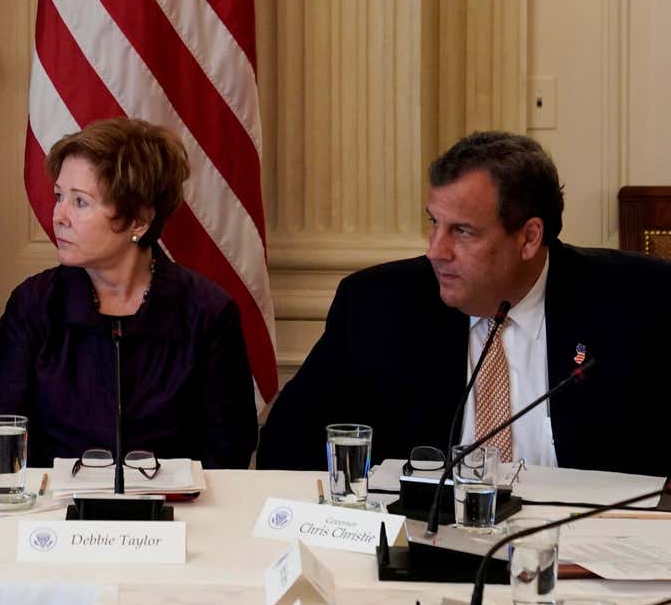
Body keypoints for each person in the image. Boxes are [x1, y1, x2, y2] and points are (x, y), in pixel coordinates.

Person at [258, 131, 671, 474]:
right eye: (435, 223)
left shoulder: (637, 301)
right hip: (425, 549)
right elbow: (285, 448)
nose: (436, 250)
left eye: (463, 232)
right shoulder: (378, 305)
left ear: (529, 237)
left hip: (591, 557)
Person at [0, 118, 257, 469]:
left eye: (80, 202)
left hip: (176, 514)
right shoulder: (34, 304)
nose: (58, 216)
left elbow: (227, 451)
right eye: (59, 196)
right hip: (53, 513)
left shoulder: (206, 312)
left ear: (138, 220)